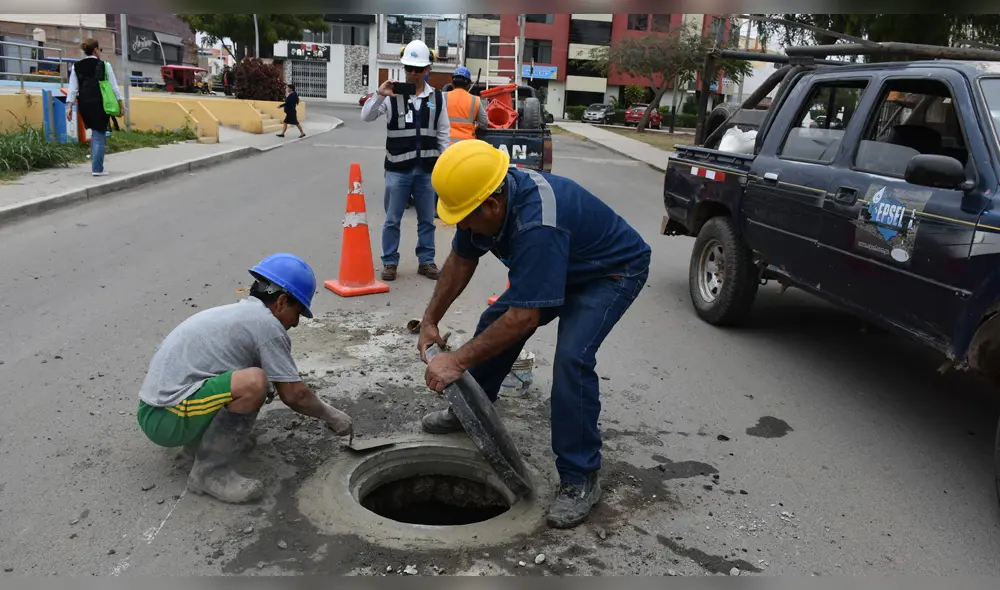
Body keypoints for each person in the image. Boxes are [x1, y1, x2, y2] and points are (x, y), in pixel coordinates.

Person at [416, 140, 652, 529]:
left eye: (467, 218)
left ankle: (580, 478)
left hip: (609, 271)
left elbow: (524, 317)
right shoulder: (488, 198)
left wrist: (455, 361)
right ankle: (473, 410)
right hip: (563, 261)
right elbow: (461, 258)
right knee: (495, 319)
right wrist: (430, 321)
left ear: (492, 205)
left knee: (572, 359)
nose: (464, 227)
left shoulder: (538, 223)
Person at [136, 253, 353, 504]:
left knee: (256, 380)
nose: (295, 323)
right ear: (282, 302)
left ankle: (199, 446)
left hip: (160, 409)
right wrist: (332, 416)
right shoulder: (266, 324)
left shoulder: (243, 315)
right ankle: (210, 473)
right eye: (298, 313)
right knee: (253, 383)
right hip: (165, 418)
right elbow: (294, 394)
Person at [361, 39, 450, 282]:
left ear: (427, 70)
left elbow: (443, 133)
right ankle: (389, 262)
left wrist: (445, 165)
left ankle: (426, 261)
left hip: (427, 171)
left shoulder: (439, 98)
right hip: (397, 170)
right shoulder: (390, 96)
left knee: (427, 220)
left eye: (417, 69)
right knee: (392, 219)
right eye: (408, 68)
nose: (412, 73)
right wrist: (380, 95)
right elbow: (366, 116)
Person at [66, 38, 123, 177]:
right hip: (100, 103)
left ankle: (96, 165)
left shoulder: (76, 66)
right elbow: (114, 87)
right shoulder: (104, 65)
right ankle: (97, 168)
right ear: (95, 49)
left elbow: (73, 88)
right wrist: (121, 104)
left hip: (84, 104)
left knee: (95, 133)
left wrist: (69, 106)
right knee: (99, 134)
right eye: (100, 50)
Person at [446, 66, 488, 142]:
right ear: (468, 84)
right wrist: (476, 127)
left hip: (446, 145)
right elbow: (484, 123)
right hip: (466, 146)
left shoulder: (443, 97)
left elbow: (431, 110)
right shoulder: (475, 100)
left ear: (452, 83)